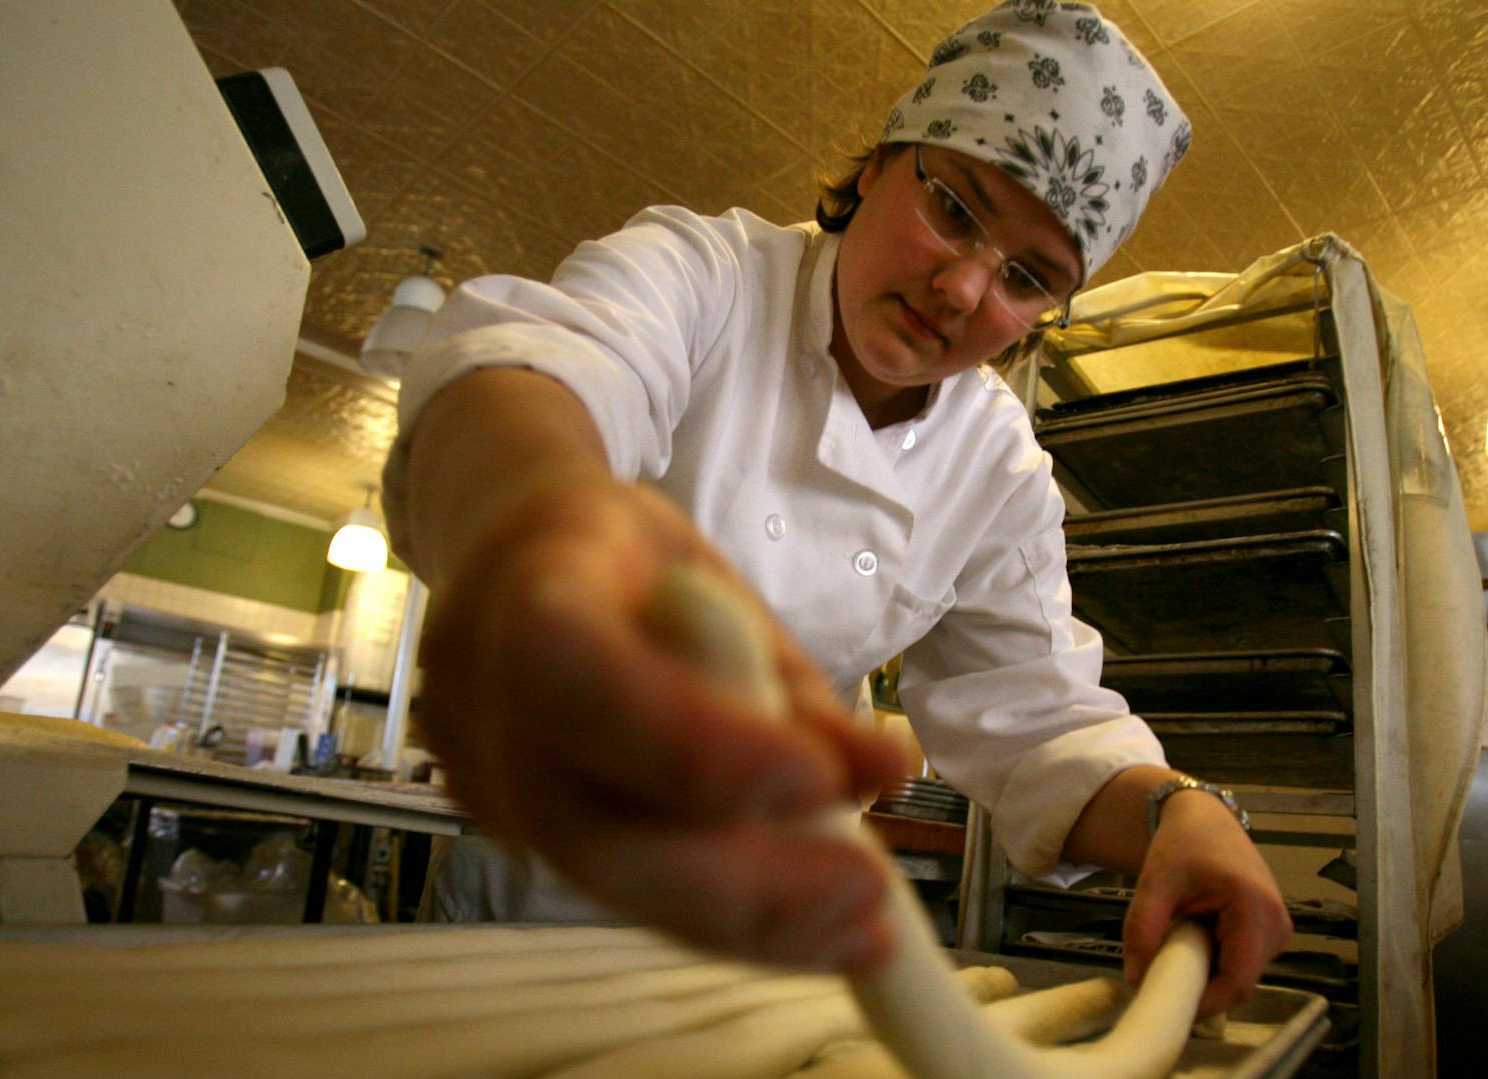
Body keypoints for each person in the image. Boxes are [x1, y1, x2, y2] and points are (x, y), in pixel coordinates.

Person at [384, 1, 1290, 1016]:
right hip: (537, 900)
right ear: (879, 162)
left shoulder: (998, 470)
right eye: (955, 209)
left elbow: (1036, 722)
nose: (960, 288)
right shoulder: (707, 278)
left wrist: (1181, 812)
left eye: (1027, 277)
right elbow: (537, 377)